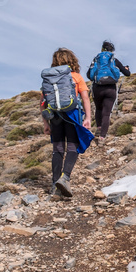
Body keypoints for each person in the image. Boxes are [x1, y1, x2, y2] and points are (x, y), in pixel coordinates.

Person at [42, 48, 93, 198]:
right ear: (72, 60)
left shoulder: (49, 79)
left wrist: (45, 123)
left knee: (57, 149)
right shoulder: (75, 76)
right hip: (72, 115)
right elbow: (85, 98)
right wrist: (88, 118)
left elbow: (42, 102)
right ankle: (65, 178)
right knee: (72, 146)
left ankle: (54, 184)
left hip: (55, 116)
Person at [86, 40, 131, 140]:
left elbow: (89, 75)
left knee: (98, 108)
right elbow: (127, 74)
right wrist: (126, 69)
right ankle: (102, 137)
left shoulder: (96, 59)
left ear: (102, 49)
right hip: (110, 88)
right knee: (106, 113)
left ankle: (99, 127)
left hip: (97, 88)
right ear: (112, 51)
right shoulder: (113, 60)